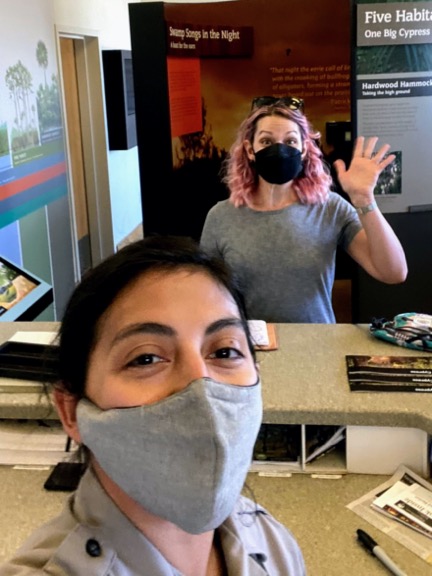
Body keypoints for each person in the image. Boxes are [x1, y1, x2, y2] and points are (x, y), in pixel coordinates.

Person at [0, 236, 305, 576]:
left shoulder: (272, 542)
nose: (201, 387)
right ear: (70, 411)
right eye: (145, 358)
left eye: (224, 351)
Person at [200, 97, 408, 323]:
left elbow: (393, 272)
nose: (279, 149)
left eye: (290, 141)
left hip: (316, 346)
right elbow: (205, 295)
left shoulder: (330, 207)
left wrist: (365, 199)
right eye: (267, 141)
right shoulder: (221, 216)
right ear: (250, 150)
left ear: (304, 149)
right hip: (249, 349)